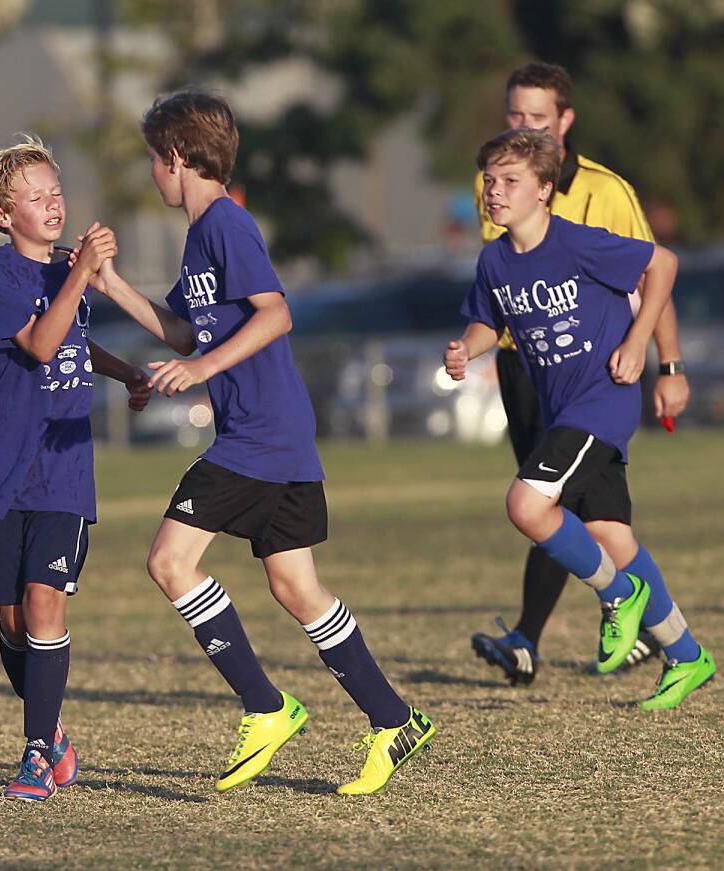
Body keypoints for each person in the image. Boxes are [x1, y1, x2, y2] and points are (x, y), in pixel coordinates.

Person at [78, 91, 434, 795]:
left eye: (154, 158)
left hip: (260, 435)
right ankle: (395, 720)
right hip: (276, 433)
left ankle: (266, 707)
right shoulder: (202, 234)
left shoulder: (225, 226)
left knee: (169, 561)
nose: (153, 171)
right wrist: (110, 282)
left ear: (176, 157)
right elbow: (185, 330)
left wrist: (203, 369)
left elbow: (277, 314)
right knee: (294, 585)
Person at [446, 128, 715, 710]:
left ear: (544, 190)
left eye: (510, 181)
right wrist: (469, 348)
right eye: (490, 180)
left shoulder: (576, 244)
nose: (495, 191)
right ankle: (688, 656)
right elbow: (489, 322)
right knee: (613, 537)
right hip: (562, 411)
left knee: (526, 505)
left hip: (603, 400)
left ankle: (619, 599)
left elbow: (661, 263)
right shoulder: (494, 258)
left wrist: (641, 342)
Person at [0, 135, 152, 802]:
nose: (52, 204)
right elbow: (41, 344)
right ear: (0, 215)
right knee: (15, 622)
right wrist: (79, 274)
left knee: (46, 604)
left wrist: (125, 369)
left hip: (64, 469)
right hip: (3, 468)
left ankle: (36, 753)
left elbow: (72, 336)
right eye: (35, 197)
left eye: (56, 192)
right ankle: (54, 730)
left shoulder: (68, 268)